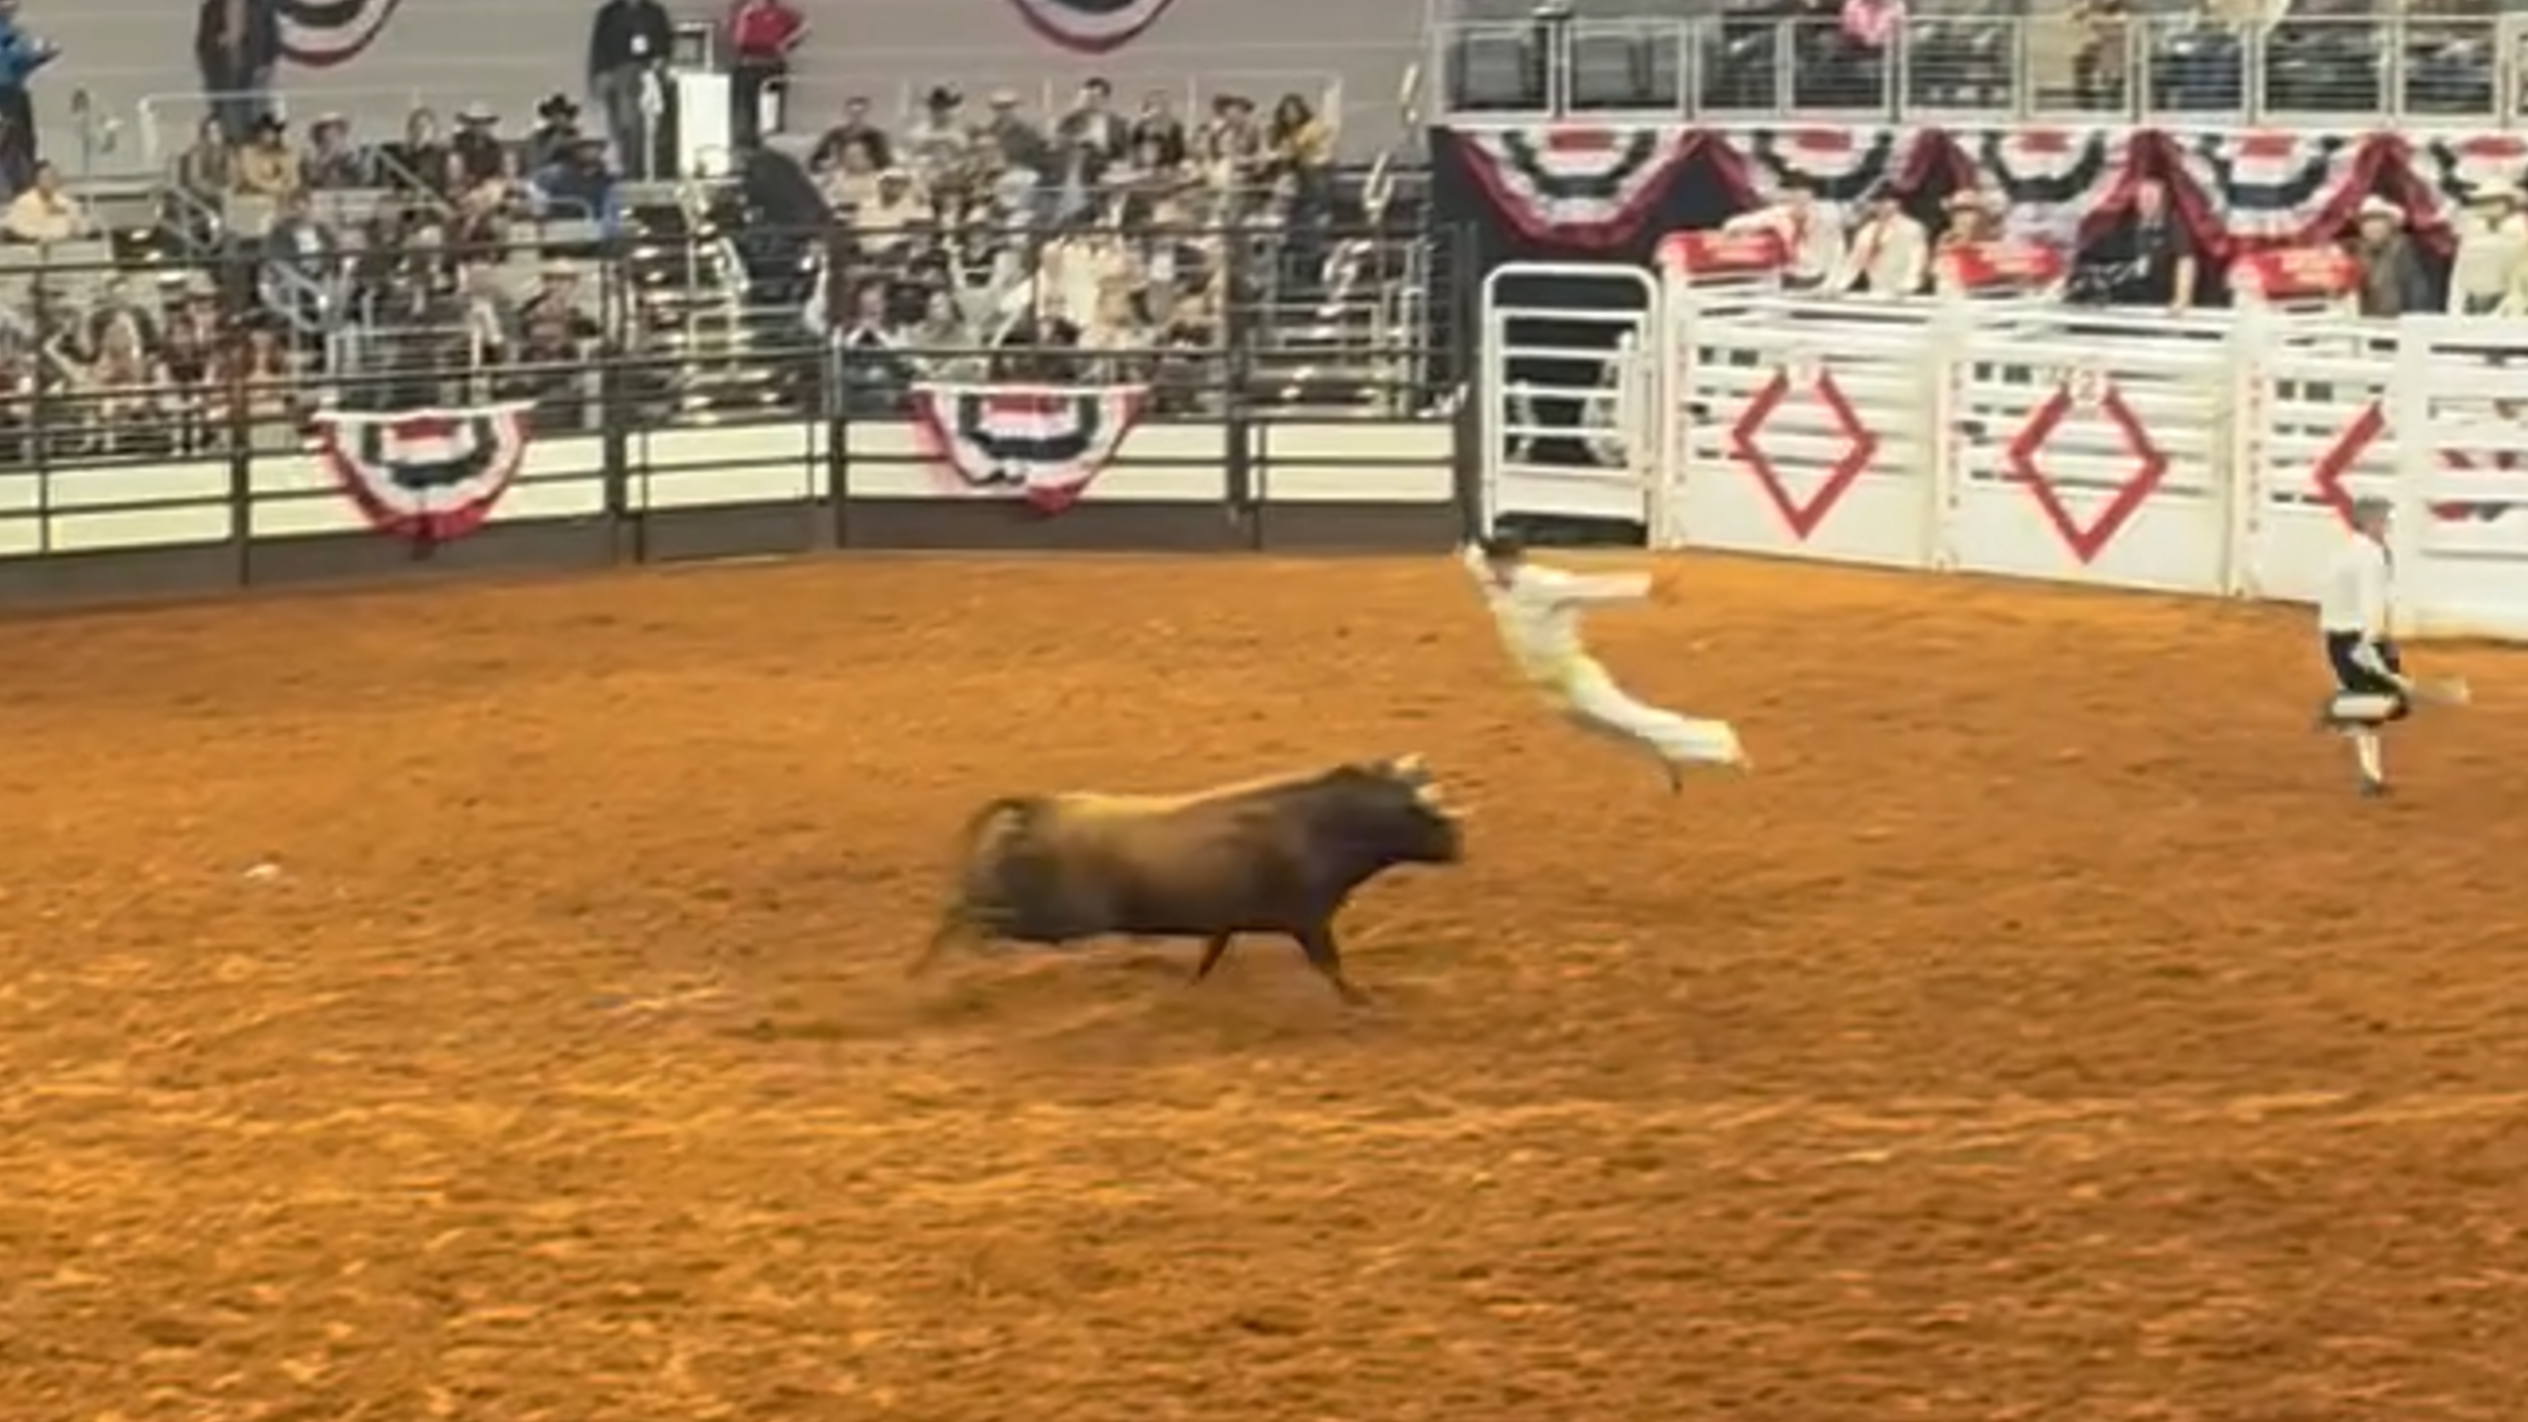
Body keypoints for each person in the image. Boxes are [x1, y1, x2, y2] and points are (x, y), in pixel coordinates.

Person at [1463, 532, 1750, 792]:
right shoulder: (1484, 570)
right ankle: (1663, 757)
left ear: (1515, 561)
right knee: (1608, 730)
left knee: (1628, 717)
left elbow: (1593, 587)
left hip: (1573, 675)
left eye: (1501, 560)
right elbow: (1471, 552)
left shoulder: (1542, 583)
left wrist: (1647, 585)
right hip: (1545, 684)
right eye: (1492, 560)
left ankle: (1721, 743)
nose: (1495, 567)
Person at [2316, 495, 2419, 798]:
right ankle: (2342, 712)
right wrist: (2375, 649)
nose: (2388, 526)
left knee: (2378, 707)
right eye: (2385, 520)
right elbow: (2371, 606)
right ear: (2371, 522)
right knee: (2393, 701)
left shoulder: (2346, 550)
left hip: (2337, 638)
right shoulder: (2371, 556)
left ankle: (2371, 775)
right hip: (2359, 639)